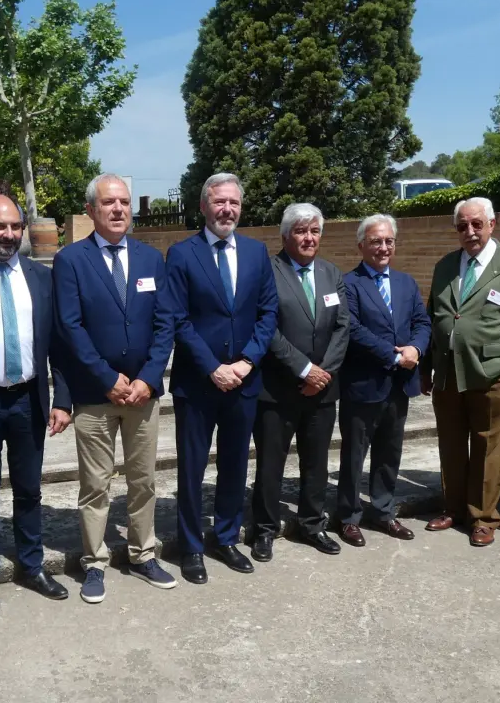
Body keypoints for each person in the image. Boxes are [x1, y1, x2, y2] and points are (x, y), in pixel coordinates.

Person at [52, 173, 177, 604]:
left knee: (144, 480)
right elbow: (69, 327)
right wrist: (106, 378)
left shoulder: (150, 259)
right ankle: (94, 562)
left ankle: (144, 554)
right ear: (91, 210)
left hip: (143, 394)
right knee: (95, 484)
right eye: (109, 202)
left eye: (124, 201)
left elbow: (165, 324)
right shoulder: (71, 260)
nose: (119, 209)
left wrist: (148, 377)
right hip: (95, 395)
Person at [0, 193, 73, 614]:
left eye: (15, 227)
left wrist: (63, 398)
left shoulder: (40, 277)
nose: (8, 234)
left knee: (29, 489)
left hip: (29, 400)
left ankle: (31, 565)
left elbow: (58, 343)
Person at [159, 173, 278, 584]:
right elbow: (177, 318)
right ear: (204, 206)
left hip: (244, 381)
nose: (227, 210)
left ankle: (226, 537)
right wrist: (213, 366)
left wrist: (246, 362)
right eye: (219, 202)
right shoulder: (181, 254)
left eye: (234, 203)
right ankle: (191, 547)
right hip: (197, 382)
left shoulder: (256, 253)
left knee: (234, 464)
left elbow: (268, 313)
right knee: (191, 469)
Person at [421, 197, 500, 547]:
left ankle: (483, 517)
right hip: (449, 375)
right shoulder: (446, 265)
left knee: (488, 448)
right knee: (451, 445)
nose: (470, 231)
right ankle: (454, 508)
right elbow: (434, 319)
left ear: (493, 224)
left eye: (477, 224)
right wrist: (427, 368)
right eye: (462, 226)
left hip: (493, 375)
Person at [249, 203, 349, 561]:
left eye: (315, 231)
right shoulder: (267, 272)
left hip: (323, 390)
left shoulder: (331, 273)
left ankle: (312, 524)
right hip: (278, 389)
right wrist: (304, 369)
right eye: (301, 231)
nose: (309, 238)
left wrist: (323, 373)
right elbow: (266, 327)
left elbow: (343, 327)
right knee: (270, 465)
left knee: (316, 462)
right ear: (285, 235)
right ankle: (264, 529)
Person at [337, 214, 431, 546]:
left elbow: (422, 322)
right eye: (376, 241)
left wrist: (416, 349)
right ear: (361, 245)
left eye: (389, 241)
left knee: (389, 454)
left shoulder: (406, 283)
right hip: (363, 384)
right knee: (354, 455)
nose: (383, 247)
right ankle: (348, 517)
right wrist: (393, 355)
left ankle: (383, 511)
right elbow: (353, 329)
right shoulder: (348, 283)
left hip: (399, 384)